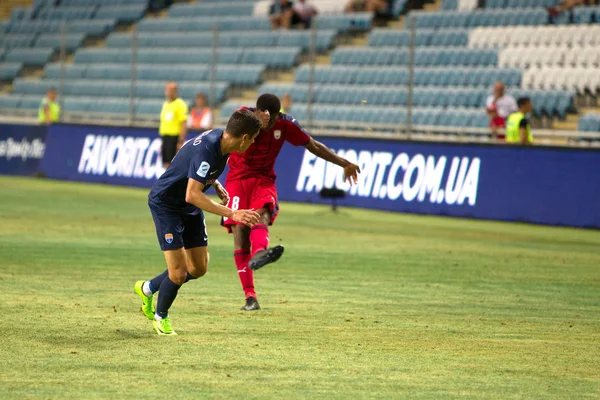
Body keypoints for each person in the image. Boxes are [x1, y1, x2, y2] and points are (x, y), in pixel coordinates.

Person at [223, 94, 361, 311]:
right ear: (257, 111)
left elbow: (313, 145)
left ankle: (260, 252)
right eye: (264, 115)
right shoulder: (243, 116)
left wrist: (344, 163)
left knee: (263, 214)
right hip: (237, 180)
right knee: (240, 232)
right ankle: (250, 297)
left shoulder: (287, 125)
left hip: (263, 179)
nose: (269, 121)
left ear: (279, 114)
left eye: (273, 116)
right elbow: (224, 141)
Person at [133, 109, 263, 336]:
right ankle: (160, 317)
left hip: (188, 207)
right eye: (252, 139)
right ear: (244, 138)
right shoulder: (207, 150)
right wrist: (232, 213)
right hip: (167, 206)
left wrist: (213, 182)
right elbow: (192, 194)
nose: (252, 144)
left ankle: (147, 288)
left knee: (198, 268)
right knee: (179, 273)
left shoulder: (221, 141)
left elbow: (194, 168)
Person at [159, 81, 188, 168]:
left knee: (173, 163)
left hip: (174, 137)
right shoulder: (165, 104)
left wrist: (180, 141)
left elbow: (183, 123)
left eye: (171, 89)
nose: (168, 91)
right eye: (167, 89)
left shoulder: (180, 104)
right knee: (166, 162)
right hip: (165, 137)